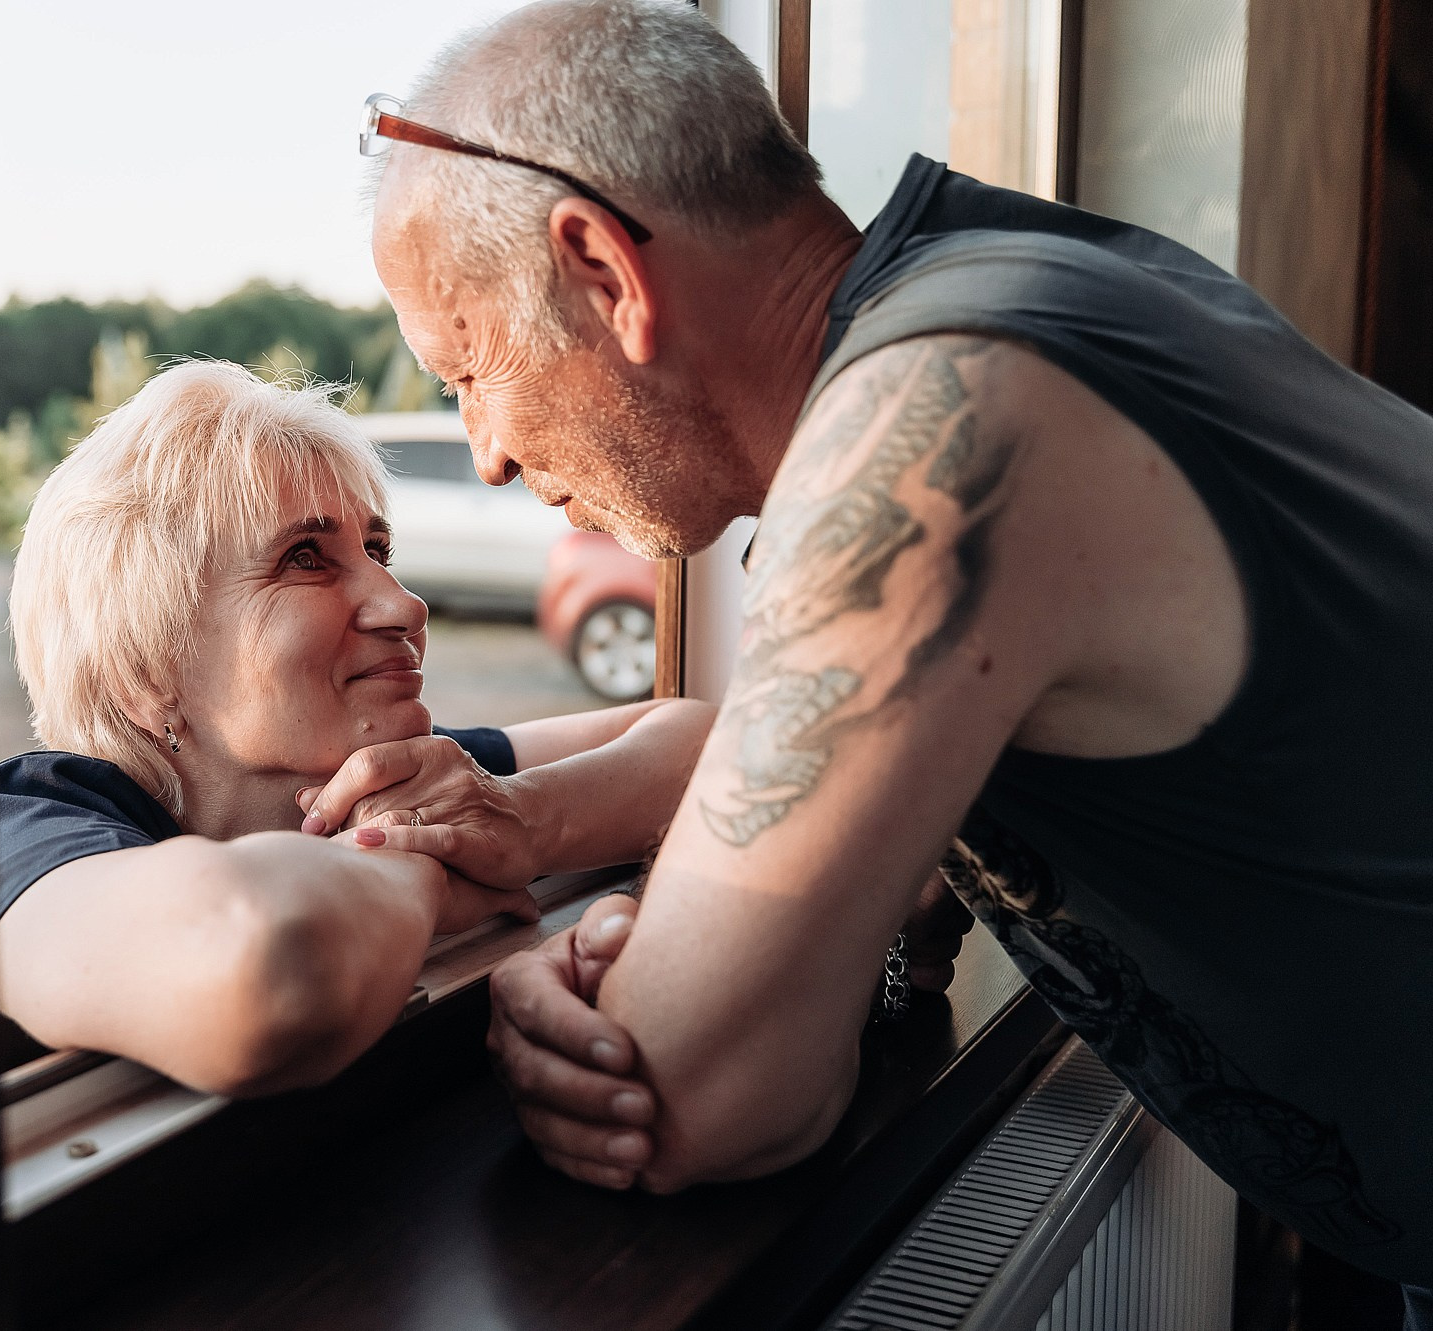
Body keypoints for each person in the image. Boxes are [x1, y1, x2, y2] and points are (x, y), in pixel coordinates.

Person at [357, 0, 1433, 1304]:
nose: (483, 450)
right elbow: (889, 871)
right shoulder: (1011, 277)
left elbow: (697, 1090)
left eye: (467, 368)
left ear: (604, 271)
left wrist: (591, 985)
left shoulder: (934, 412)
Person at [0, 358, 714, 1098]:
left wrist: (523, 819)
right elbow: (269, 965)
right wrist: (415, 856)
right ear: (145, 674)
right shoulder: (18, 828)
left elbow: (708, 744)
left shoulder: (386, 778)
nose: (404, 604)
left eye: (378, 551)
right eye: (305, 559)